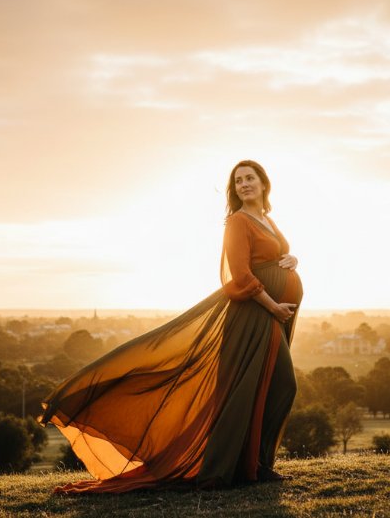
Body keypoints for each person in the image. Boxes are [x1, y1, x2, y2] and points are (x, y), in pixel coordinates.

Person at [38, 159, 303, 493]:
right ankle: (238, 466)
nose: (244, 184)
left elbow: (279, 253)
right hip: (255, 315)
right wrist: (273, 305)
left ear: (264, 184)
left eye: (250, 178)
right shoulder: (237, 221)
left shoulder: (266, 218)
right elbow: (242, 274)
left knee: (271, 389)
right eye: (238, 181)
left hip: (271, 315)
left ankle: (258, 465)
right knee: (268, 387)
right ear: (234, 190)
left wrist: (293, 260)